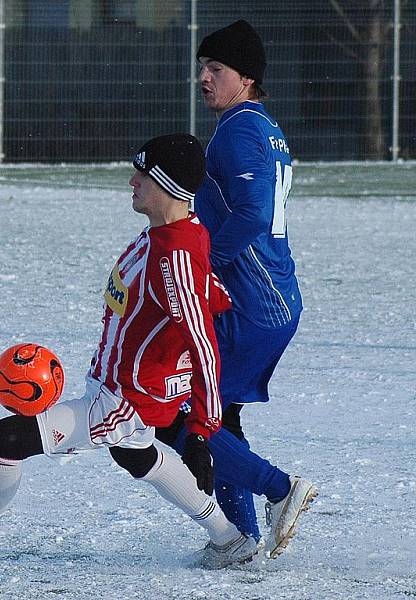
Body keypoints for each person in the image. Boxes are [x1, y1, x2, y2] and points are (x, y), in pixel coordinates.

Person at [0, 134, 260, 580]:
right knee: (136, 457)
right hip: (122, 387)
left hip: (122, 401)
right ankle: (229, 541)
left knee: (4, 441)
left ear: (165, 184)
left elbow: (201, 341)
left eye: (142, 174)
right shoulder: (174, 233)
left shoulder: (174, 254)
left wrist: (200, 432)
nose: (131, 182)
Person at [160, 19, 316, 556]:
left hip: (255, 302)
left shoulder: (241, 129)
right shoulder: (259, 125)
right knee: (216, 413)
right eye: (201, 67)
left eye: (216, 69)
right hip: (267, 297)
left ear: (245, 77)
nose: (203, 77)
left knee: (180, 415)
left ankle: (278, 493)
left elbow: (254, 211)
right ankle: (239, 537)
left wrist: (207, 267)